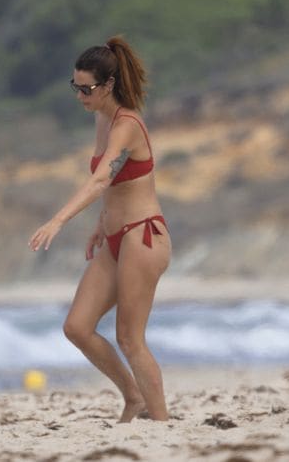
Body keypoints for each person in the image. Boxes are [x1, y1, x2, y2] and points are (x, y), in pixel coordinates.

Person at [29, 36, 171, 422]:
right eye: (75, 86)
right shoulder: (102, 119)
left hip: (143, 236)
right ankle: (133, 396)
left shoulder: (127, 123)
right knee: (77, 326)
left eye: (86, 88)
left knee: (130, 337)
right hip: (113, 238)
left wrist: (58, 220)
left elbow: (99, 182)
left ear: (108, 85)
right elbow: (109, 178)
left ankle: (161, 424)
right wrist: (98, 224)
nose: (80, 95)